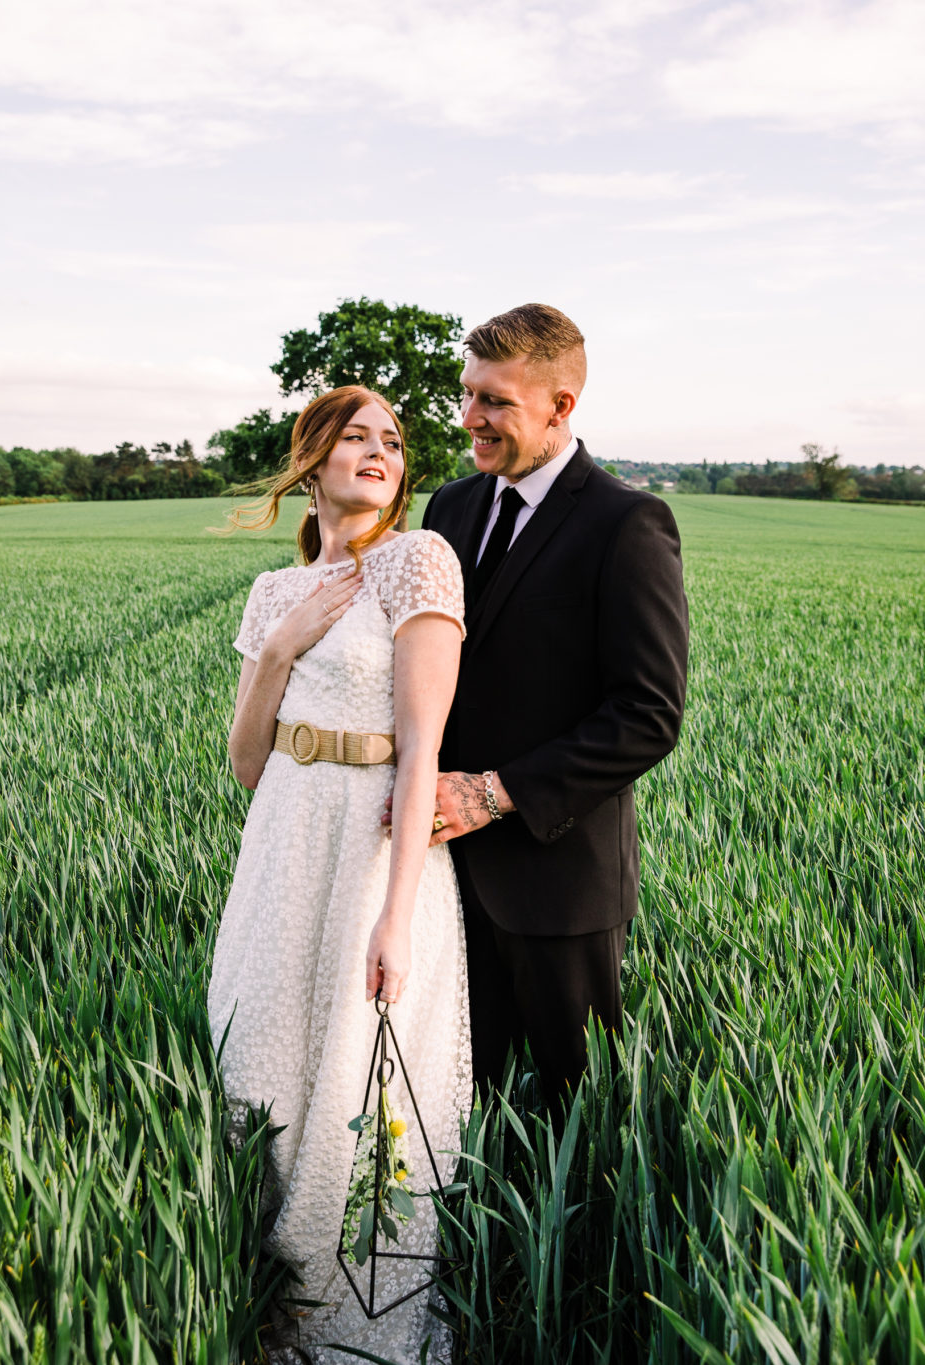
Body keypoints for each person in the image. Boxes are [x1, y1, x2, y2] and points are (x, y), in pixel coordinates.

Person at [207, 386, 472, 1365]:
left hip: (374, 846)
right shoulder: (273, 594)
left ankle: (356, 1324)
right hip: (282, 837)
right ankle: (268, 1300)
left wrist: (397, 916)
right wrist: (283, 643)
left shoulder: (416, 562)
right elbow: (245, 760)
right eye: (354, 436)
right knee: (265, 1059)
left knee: (365, 1083)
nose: (377, 451)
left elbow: (423, 750)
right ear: (313, 458)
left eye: (393, 441)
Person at [419, 303, 689, 1108]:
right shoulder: (451, 507)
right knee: (457, 1101)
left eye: (494, 400)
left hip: (557, 885)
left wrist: (491, 793)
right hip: (438, 876)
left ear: (559, 406)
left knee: (582, 1118)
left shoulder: (627, 523)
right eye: (467, 394)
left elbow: (647, 712)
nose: (471, 417)